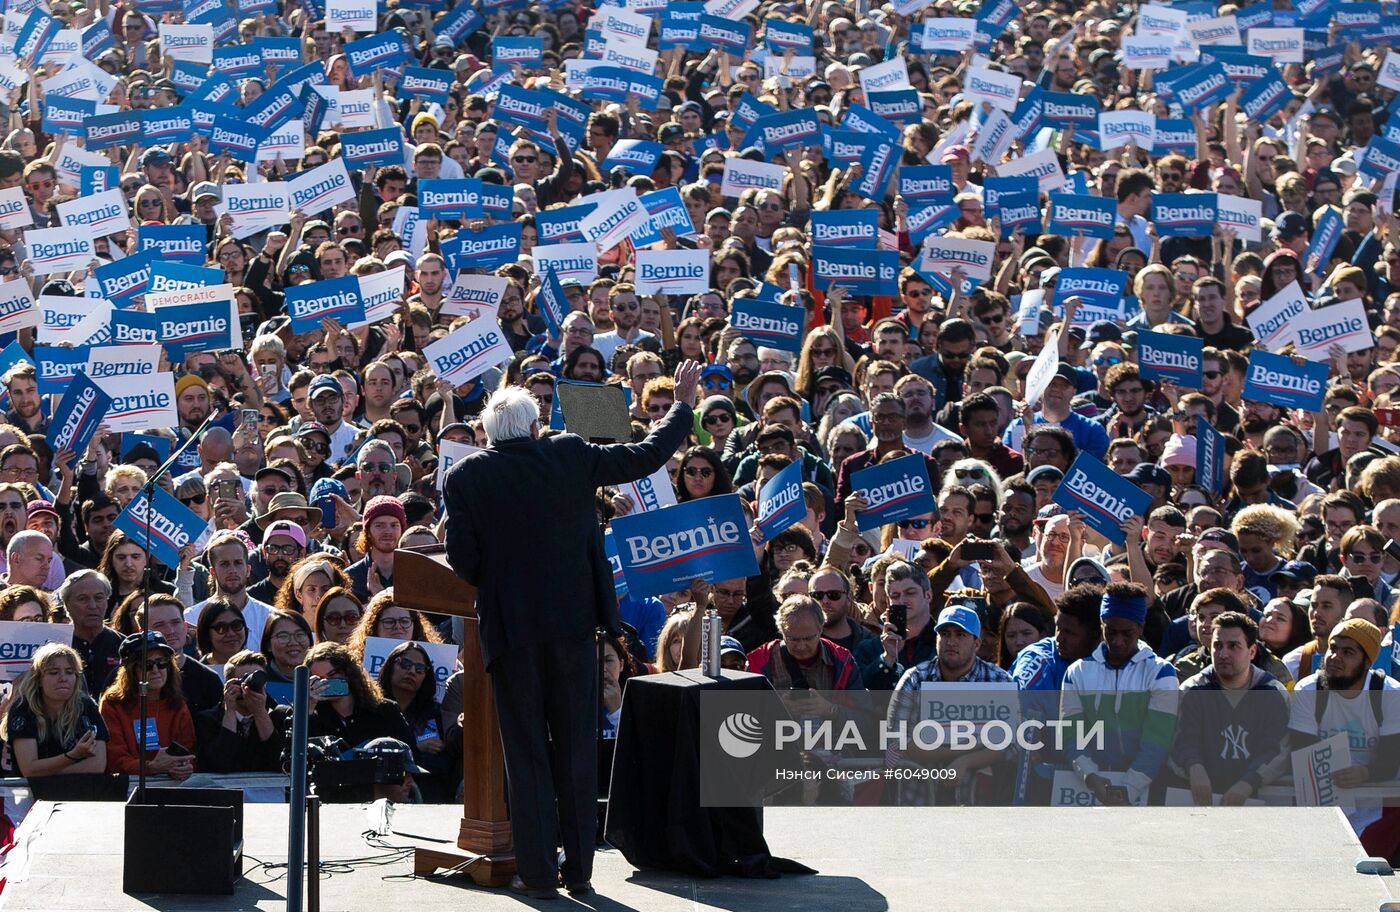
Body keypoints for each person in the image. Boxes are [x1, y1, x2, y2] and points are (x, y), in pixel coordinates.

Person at [443, 360, 700, 899]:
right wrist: (680, 404)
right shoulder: (568, 453)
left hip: (512, 632)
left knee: (527, 752)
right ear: (535, 426)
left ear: (488, 435)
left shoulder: (466, 476)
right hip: (575, 628)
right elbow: (648, 455)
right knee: (576, 751)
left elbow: (464, 562)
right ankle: (579, 871)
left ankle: (538, 876)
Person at [1288, 618, 1400, 855]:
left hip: (1378, 800)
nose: (1335, 657)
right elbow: (1302, 751)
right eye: (1333, 648)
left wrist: (1364, 772)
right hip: (1324, 794)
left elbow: (1391, 760)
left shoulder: (1390, 694)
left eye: (1347, 652)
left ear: (1367, 662)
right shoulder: (1308, 690)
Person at [1061, 584, 1179, 806]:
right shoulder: (1077, 672)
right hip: (1088, 786)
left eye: (1127, 633)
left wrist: (1129, 787)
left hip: (1147, 787)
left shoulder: (1161, 672)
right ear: (1101, 625)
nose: (1117, 641)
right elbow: (1070, 736)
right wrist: (1089, 775)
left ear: (1141, 628)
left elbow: (1158, 741)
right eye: (1110, 631)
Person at [1173, 612, 1289, 806]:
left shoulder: (1273, 692)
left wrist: (1248, 782)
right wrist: (1194, 767)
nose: (1223, 654)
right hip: (1199, 797)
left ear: (1252, 652)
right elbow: (1181, 740)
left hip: (1258, 797)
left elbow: (1277, 750)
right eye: (1217, 646)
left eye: (1233, 646)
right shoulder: (1192, 689)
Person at [99, 632, 197, 779]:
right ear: (131, 671)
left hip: (172, 786)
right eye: (147, 665)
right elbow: (114, 760)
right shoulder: (112, 704)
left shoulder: (177, 704)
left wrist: (185, 768)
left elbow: (190, 753)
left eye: (162, 662)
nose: (156, 670)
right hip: (128, 788)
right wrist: (151, 767)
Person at [2, 644, 107, 777]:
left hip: (73, 792)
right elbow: (29, 769)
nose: (63, 678)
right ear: (39, 679)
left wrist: (49, 775)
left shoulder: (86, 706)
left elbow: (97, 765)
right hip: (28, 795)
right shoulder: (23, 708)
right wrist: (72, 756)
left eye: (70, 672)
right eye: (54, 672)